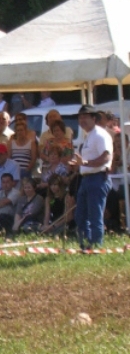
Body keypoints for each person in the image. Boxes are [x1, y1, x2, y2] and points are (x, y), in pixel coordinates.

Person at [72, 105, 112, 250]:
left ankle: (96, 246)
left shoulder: (100, 134)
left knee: (95, 216)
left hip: (98, 178)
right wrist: (79, 165)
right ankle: (86, 245)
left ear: (93, 118)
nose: (82, 120)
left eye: (85, 117)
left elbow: (106, 157)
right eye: (80, 117)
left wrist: (85, 163)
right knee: (80, 215)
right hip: (86, 179)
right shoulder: (88, 136)